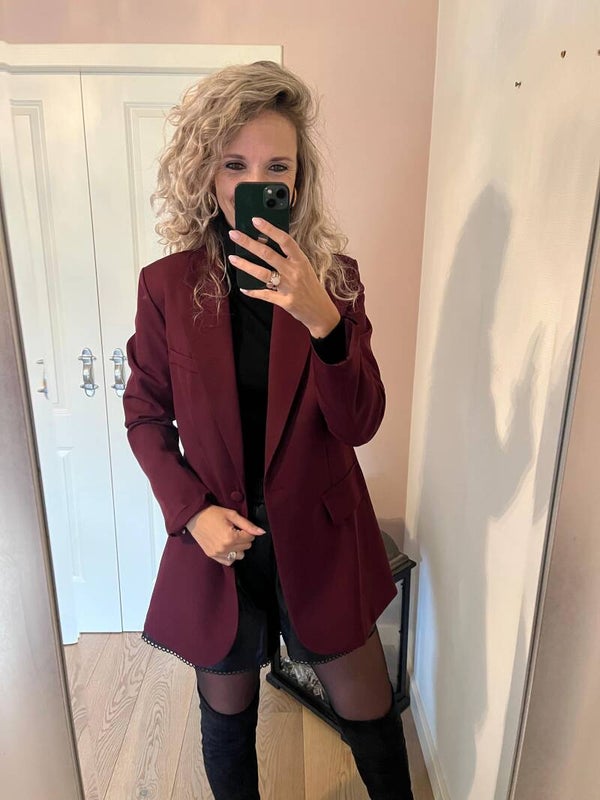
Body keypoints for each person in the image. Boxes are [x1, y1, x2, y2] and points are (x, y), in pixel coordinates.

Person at [123, 60, 413, 800]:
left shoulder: (335, 279)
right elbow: (145, 414)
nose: (258, 181)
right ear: (208, 177)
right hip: (220, 540)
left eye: (277, 166)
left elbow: (359, 422)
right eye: (235, 164)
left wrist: (323, 319)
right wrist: (191, 514)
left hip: (322, 536)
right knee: (227, 720)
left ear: (298, 179)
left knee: (370, 713)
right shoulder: (167, 286)